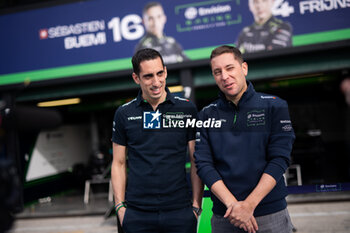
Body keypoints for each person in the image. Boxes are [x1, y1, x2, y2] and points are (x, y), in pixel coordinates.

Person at [194, 45, 295, 233]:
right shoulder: (206, 115)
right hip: (225, 217)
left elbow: (279, 159)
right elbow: (204, 164)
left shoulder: (275, 106)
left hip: (269, 215)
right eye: (217, 72)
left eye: (229, 68)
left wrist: (249, 205)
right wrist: (234, 206)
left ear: (244, 68)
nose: (224, 76)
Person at [111, 48, 203, 233]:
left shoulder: (186, 109)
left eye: (160, 73)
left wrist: (196, 205)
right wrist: (120, 207)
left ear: (166, 71)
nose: (156, 82)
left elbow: (196, 160)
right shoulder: (124, 113)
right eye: (148, 76)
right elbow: (118, 163)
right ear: (136, 78)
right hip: (137, 214)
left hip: (180, 212)